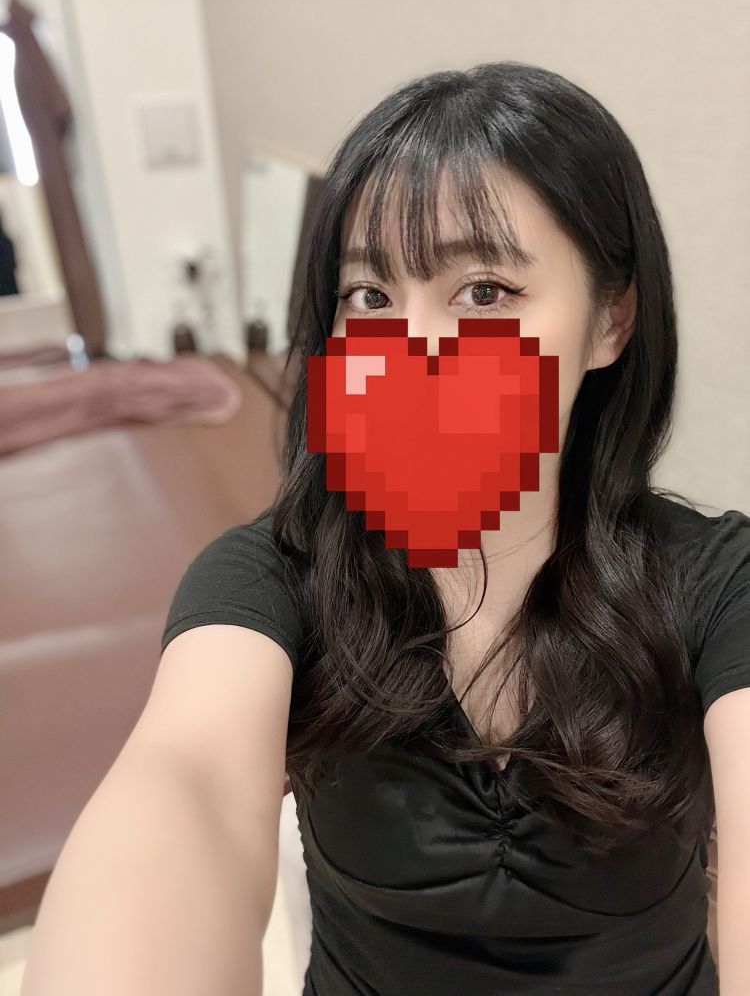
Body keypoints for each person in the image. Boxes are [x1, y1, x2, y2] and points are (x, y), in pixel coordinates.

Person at [21, 62, 749, 996]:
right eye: (370, 297)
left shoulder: (716, 584)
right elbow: (188, 784)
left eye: (484, 292)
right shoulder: (273, 578)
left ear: (612, 320)